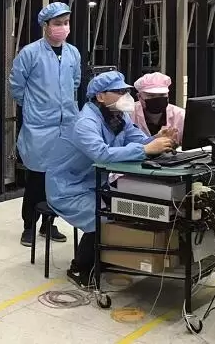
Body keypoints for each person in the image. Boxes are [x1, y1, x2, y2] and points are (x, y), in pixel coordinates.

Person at [44, 71, 175, 288]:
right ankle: (79, 268)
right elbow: (101, 154)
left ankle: (107, 259)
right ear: (100, 96)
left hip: (95, 183)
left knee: (130, 208)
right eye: (119, 91)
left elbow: (139, 141)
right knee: (102, 217)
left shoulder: (119, 117)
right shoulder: (85, 122)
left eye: (126, 91)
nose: (125, 96)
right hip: (68, 188)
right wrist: (145, 149)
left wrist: (157, 140)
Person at [9, 2, 81, 247]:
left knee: (58, 180)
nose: (63, 27)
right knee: (37, 180)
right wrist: (33, 107)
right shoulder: (30, 53)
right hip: (39, 127)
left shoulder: (73, 53)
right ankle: (29, 226)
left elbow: (75, 83)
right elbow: (16, 85)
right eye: (58, 23)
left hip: (66, 126)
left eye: (66, 23)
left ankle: (49, 224)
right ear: (46, 25)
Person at [132, 72, 185, 143]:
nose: (157, 99)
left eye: (162, 95)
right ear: (139, 96)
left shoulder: (181, 115)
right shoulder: (129, 114)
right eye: (151, 95)